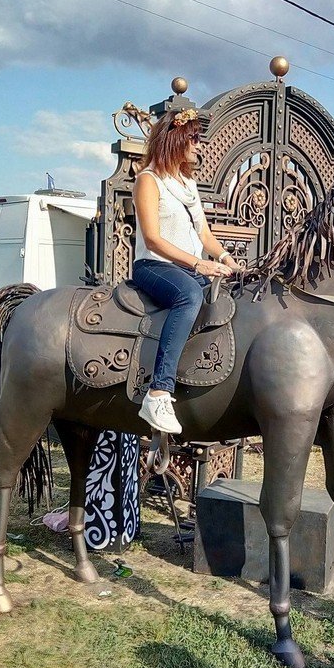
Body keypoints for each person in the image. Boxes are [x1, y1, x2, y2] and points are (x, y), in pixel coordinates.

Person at [132, 108, 241, 435]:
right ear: (175, 139)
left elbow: (204, 234)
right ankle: (158, 392)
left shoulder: (187, 184)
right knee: (190, 296)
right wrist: (198, 264)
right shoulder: (148, 181)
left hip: (187, 268)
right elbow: (152, 239)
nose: (198, 145)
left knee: (225, 298)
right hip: (154, 266)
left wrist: (228, 260)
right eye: (193, 138)